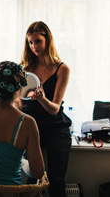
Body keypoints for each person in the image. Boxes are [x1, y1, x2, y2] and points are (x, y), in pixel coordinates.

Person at [21, 21, 72, 197]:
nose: (34, 46)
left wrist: (42, 99)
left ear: (47, 39)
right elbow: (19, 104)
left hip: (56, 129)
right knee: (32, 180)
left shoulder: (62, 68)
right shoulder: (25, 69)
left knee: (56, 181)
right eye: (30, 42)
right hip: (32, 128)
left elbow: (55, 109)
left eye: (37, 41)